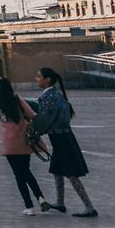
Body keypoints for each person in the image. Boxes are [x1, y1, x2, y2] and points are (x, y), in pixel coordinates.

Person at [32, 68, 96, 217]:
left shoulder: (49, 96)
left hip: (61, 139)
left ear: (47, 80)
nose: (36, 78)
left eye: (39, 76)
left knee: (71, 172)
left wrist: (35, 129)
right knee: (57, 170)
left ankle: (89, 206)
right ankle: (60, 203)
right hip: (63, 137)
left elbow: (45, 118)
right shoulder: (55, 94)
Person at [0, 77, 44, 214]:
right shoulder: (17, 99)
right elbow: (31, 114)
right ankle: (40, 198)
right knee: (27, 171)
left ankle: (29, 206)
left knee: (18, 175)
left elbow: (0, 118)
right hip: (23, 141)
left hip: (9, 144)